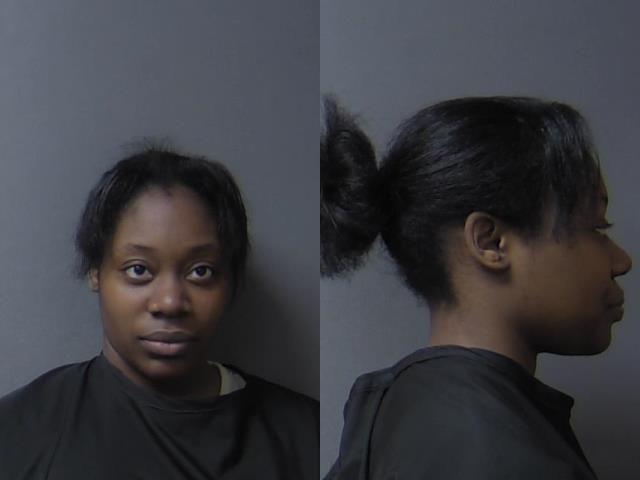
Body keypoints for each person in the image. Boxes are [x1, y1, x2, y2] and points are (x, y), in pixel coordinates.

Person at [321, 96, 631, 479]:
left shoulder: (399, 410)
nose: (622, 262)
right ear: (490, 242)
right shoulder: (499, 455)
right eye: (597, 228)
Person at [0, 147, 318, 479]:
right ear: (96, 272)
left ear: (232, 281)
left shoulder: (304, 436)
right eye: (138, 270)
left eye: (201, 271)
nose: (169, 302)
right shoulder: (18, 435)